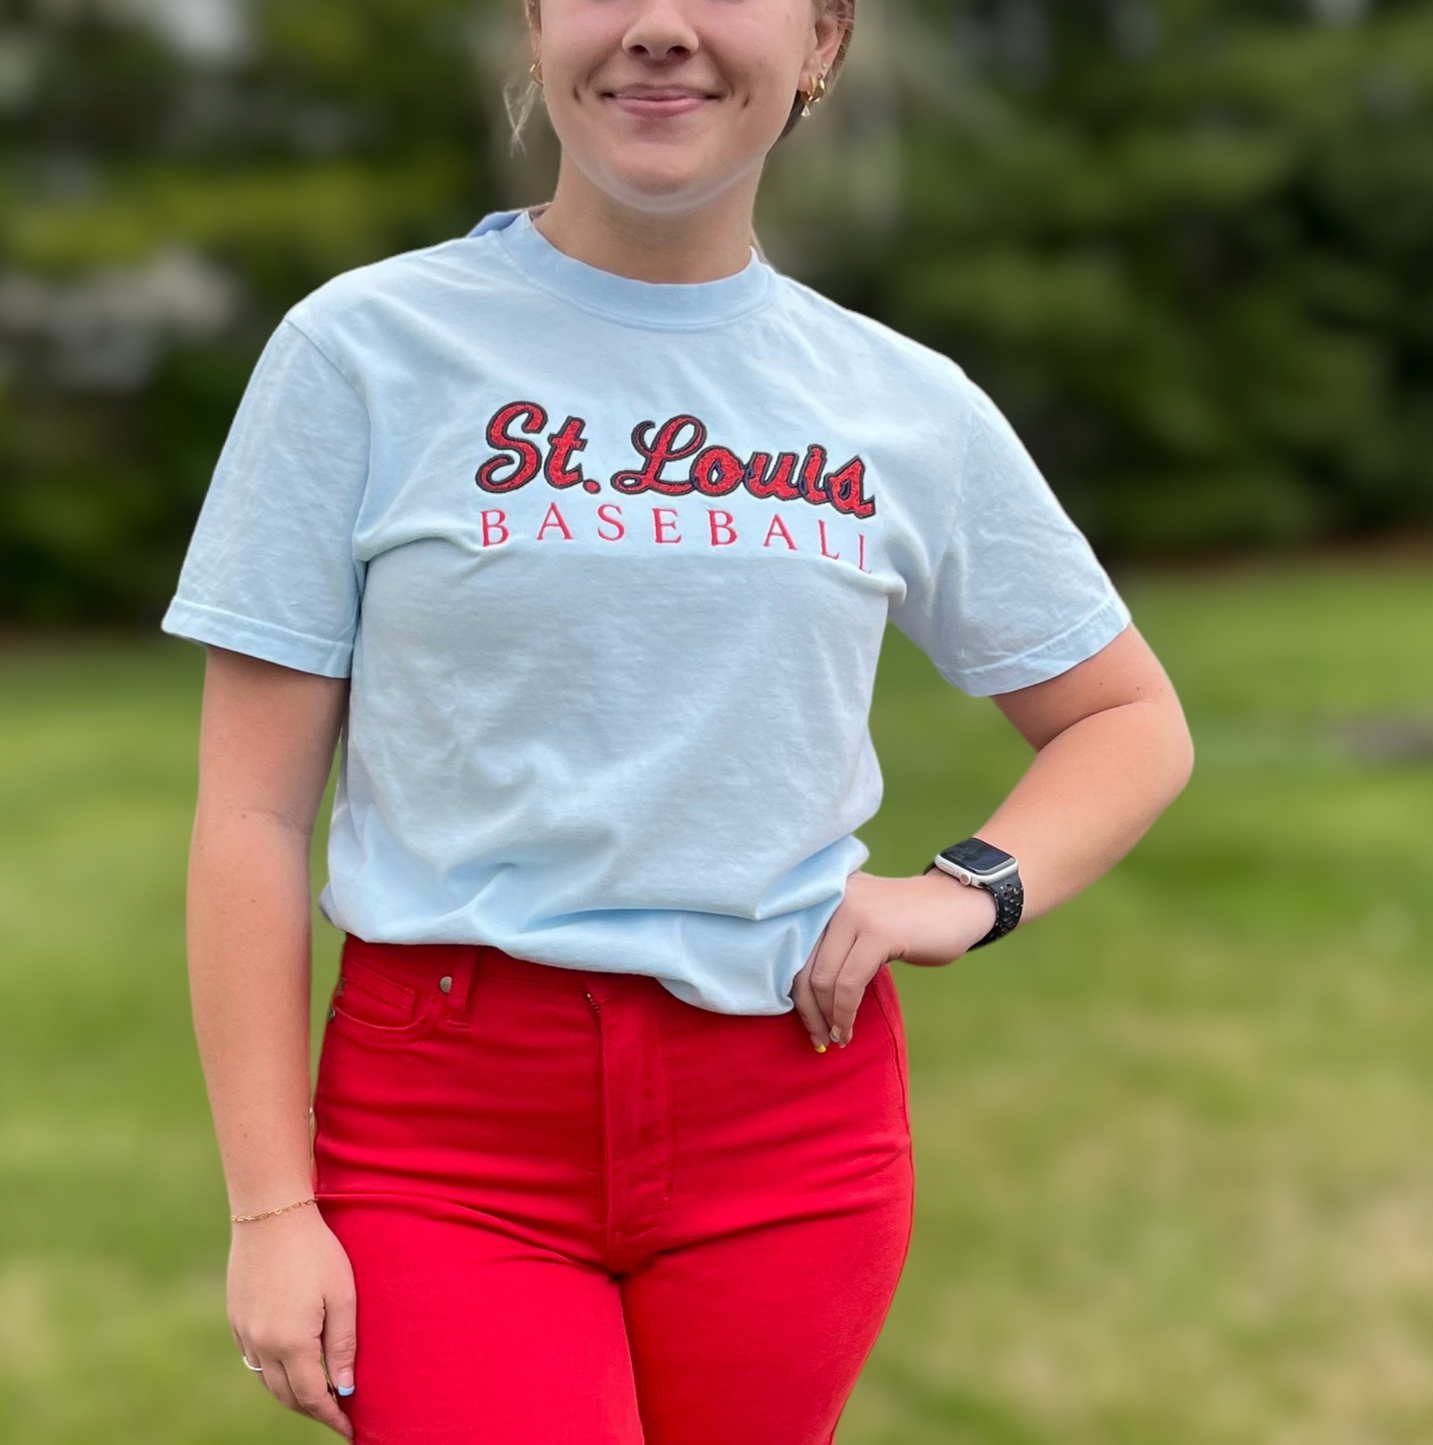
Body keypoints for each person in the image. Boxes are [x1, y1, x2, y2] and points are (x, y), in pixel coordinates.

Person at [160, 1, 1194, 1441]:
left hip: (792, 1123)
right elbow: (252, 819)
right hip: (448, 1124)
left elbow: (1127, 719)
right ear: (532, 28)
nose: (659, 26)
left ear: (824, 38)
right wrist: (271, 1208)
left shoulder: (902, 404)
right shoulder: (362, 353)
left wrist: (966, 893)